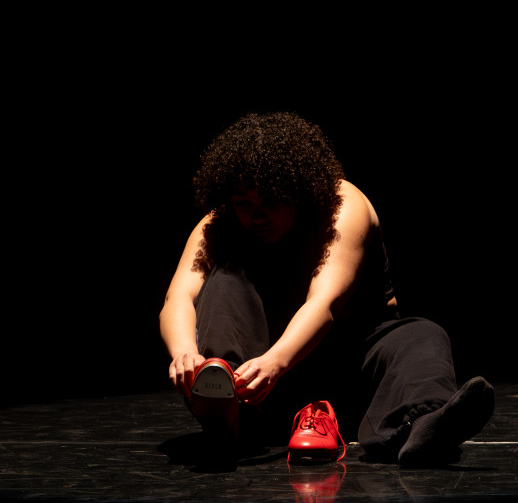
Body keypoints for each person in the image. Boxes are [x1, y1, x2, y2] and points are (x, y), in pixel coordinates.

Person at [159, 111, 493, 467]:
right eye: (245, 204)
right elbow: (177, 298)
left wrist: (276, 361)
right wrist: (184, 353)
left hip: (349, 370)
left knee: (422, 334)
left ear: (299, 192)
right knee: (225, 280)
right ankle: (221, 411)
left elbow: (326, 303)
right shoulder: (219, 222)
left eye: (270, 201)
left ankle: (423, 429)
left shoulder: (343, 207)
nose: (256, 216)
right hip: (255, 385)